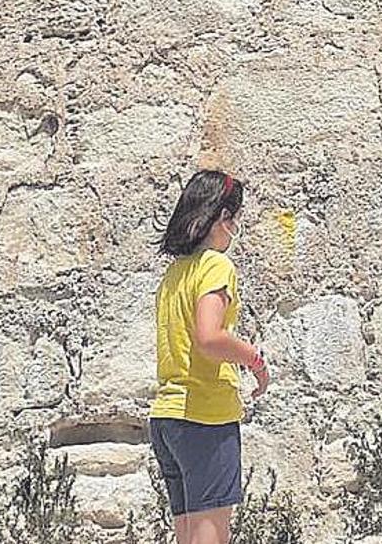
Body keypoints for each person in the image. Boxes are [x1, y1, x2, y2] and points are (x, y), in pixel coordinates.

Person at [149, 170, 270, 544]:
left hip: (168, 418)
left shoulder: (174, 274)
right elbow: (209, 337)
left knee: (188, 535)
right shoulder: (216, 266)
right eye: (235, 217)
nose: (236, 226)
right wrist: (255, 360)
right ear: (221, 217)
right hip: (205, 417)